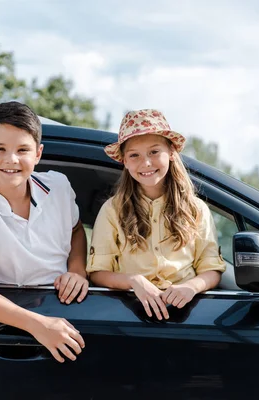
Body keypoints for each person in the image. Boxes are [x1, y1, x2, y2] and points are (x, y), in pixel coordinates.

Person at [0, 101, 89, 363]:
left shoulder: (58, 186)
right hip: (14, 324)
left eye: (22, 149)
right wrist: (39, 325)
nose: (11, 160)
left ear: (38, 153)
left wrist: (78, 270)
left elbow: (77, 230)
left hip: (70, 308)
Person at [87, 109, 226, 320]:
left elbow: (212, 269)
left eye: (154, 152)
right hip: (129, 316)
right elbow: (98, 273)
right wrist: (134, 280)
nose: (146, 163)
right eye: (134, 155)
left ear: (171, 152)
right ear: (124, 161)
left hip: (189, 318)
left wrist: (191, 287)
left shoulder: (196, 209)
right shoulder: (112, 210)